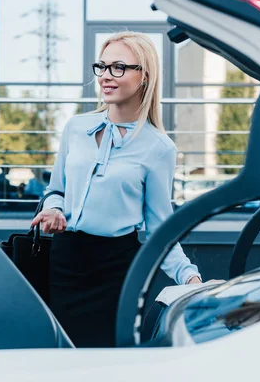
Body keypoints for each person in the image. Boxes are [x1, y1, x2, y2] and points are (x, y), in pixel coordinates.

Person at [31, 31, 202, 348]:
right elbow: (56, 191)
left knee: (106, 360)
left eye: (118, 67)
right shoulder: (76, 128)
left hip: (116, 272)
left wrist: (190, 278)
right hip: (65, 262)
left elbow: (159, 227)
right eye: (102, 67)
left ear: (144, 77)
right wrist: (53, 209)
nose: (106, 76)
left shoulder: (159, 148)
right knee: (61, 356)